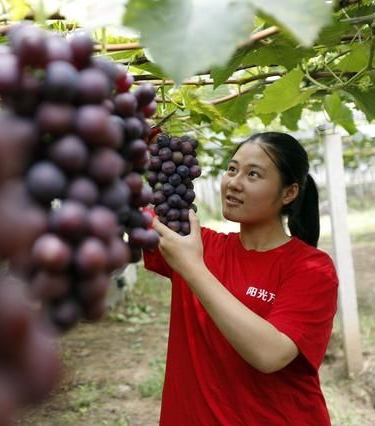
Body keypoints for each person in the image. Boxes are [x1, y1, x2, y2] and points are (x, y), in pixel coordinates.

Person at [143, 132, 339, 425]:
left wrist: (193, 268)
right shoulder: (193, 242)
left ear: (289, 193)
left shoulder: (312, 269)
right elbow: (123, 200)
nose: (233, 182)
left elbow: (270, 354)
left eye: (253, 174)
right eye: (232, 169)